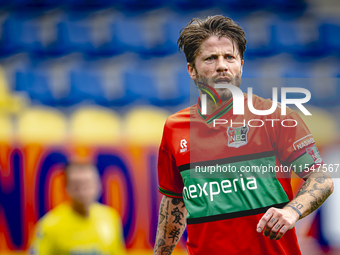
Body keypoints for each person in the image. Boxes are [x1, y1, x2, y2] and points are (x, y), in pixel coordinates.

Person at [153, 15, 334, 255]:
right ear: (192, 71)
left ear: (241, 64)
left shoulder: (277, 118)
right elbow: (174, 203)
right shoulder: (174, 128)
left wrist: (292, 211)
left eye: (230, 57)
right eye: (210, 58)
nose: (222, 65)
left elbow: (322, 179)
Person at [29, 161, 127, 255]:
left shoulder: (110, 218)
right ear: (66, 188)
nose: (83, 192)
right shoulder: (49, 226)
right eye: (77, 186)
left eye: (88, 185)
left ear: (98, 185)